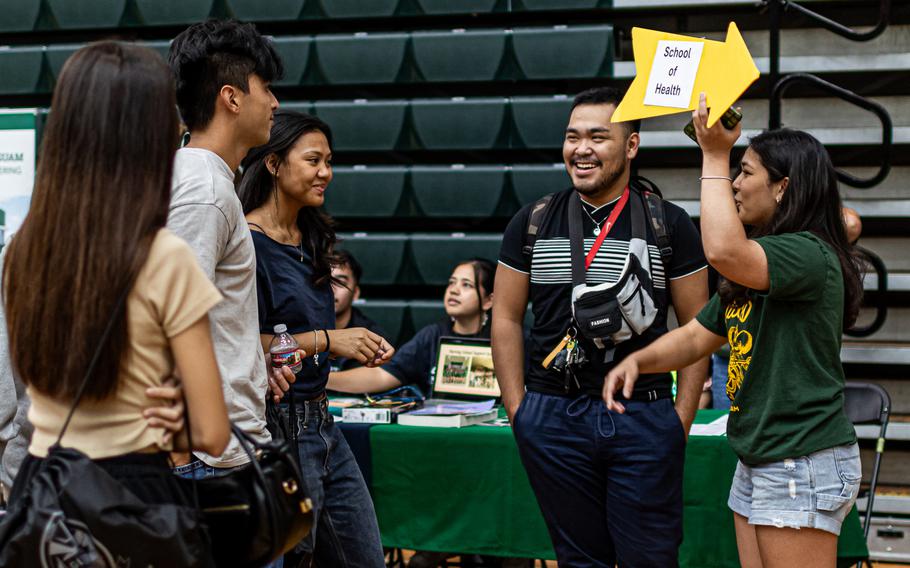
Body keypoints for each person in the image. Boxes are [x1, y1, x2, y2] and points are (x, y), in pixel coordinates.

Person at [604, 94, 863, 568]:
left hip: (798, 458)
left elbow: (722, 250)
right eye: (736, 171)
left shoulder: (806, 253)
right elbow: (696, 337)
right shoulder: (764, 264)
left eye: (746, 172)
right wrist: (638, 361)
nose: (736, 185)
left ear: (783, 188)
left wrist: (714, 153)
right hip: (760, 457)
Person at [3, 41, 229, 529]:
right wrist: (178, 421)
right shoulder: (163, 257)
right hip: (132, 498)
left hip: (41, 494)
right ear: (152, 136)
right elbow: (211, 433)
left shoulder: (21, 250)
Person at [492, 86, 710, 567]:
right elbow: (505, 318)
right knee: (579, 561)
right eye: (572, 137)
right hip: (552, 416)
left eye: (598, 137)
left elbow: (698, 327)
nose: (581, 149)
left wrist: (681, 420)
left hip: (644, 416)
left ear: (631, 146)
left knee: (650, 559)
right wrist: (519, 411)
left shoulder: (668, 225)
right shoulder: (531, 221)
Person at [238, 110, 393, 568]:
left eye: (329, 160)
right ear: (272, 163)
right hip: (276, 426)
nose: (326, 171)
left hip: (323, 423)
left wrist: (350, 342)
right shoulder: (246, 242)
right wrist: (328, 340)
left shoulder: (310, 235)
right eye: (313, 160)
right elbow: (241, 342)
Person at [166, 19, 295, 481]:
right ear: (232, 97)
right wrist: (184, 453)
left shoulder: (202, 180)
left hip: (221, 449)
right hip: (212, 460)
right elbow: (168, 323)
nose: (275, 102)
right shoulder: (204, 192)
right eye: (266, 87)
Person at [329, 258, 495, 398]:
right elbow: (382, 375)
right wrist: (320, 380)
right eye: (451, 283)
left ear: (489, 300)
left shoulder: (510, 338)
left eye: (467, 285)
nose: (454, 290)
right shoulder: (431, 336)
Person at [330, 250, 388, 372]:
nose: (331, 289)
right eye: (326, 281)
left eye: (340, 282)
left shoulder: (372, 337)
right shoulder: (301, 329)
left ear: (355, 293)